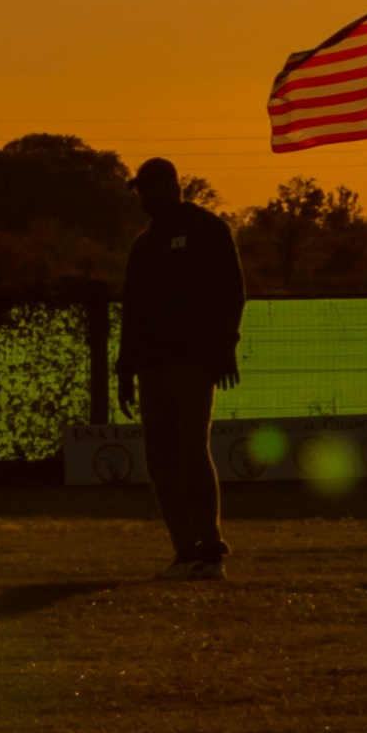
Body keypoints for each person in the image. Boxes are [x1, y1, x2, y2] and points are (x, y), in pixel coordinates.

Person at [116, 156, 245, 578]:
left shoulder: (208, 229)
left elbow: (231, 292)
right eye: (141, 190)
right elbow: (132, 309)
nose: (145, 198)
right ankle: (185, 549)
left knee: (191, 450)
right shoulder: (145, 243)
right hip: (152, 363)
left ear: (172, 186)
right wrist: (124, 368)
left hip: (194, 360)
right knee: (159, 457)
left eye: (151, 189)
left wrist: (225, 348)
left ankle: (210, 548)